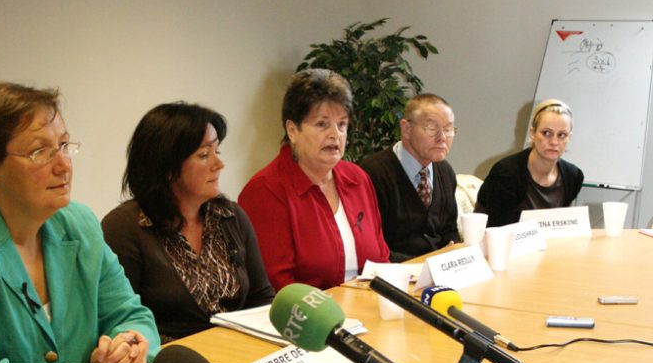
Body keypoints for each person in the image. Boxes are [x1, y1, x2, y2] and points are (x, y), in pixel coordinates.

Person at [0, 82, 160, 363]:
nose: (63, 165)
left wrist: (126, 348)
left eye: (64, 145)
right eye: (40, 152)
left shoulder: (79, 224)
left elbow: (131, 316)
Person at [102, 103, 274, 342]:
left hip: (238, 355)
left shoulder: (230, 216)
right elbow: (119, 321)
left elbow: (262, 298)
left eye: (217, 151)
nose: (219, 164)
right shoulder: (125, 228)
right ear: (167, 167)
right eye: (204, 155)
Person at [238, 69, 389, 291]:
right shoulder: (266, 190)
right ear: (292, 130)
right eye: (322, 124)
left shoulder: (358, 178)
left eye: (342, 124)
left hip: (368, 311)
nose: (334, 134)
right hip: (308, 319)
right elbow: (277, 287)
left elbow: (382, 260)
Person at [360, 93, 459, 262]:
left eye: (448, 129)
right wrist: (421, 265)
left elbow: (449, 231)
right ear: (406, 129)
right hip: (393, 274)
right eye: (432, 128)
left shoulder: (445, 171)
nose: (442, 138)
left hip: (435, 272)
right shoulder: (372, 173)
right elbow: (372, 246)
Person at [475, 99, 584, 227]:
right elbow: (496, 229)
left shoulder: (573, 176)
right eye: (547, 133)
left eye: (562, 135)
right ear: (533, 133)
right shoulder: (506, 173)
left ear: (569, 138)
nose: (554, 142)